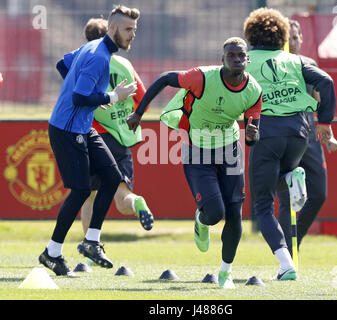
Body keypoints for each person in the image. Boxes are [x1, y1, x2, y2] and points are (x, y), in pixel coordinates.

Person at [127, 37, 263, 289]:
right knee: (215, 213)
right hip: (198, 149)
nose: (235, 59)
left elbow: (253, 136)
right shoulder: (201, 78)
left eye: (240, 55)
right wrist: (139, 113)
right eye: (230, 55)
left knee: (234, 214)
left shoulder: (254, 91)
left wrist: (253, 136)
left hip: (230, 150)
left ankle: (226, 273)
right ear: (221, 59)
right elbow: (165, 79)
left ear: (247, 59)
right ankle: (201, 221)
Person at [39, 5, 139, 277]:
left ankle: (92, 241)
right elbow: (79, 99)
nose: (133, 35)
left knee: (111, 176)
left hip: (81, 126)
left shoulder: (95, 46)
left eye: (135, 30)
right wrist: (111, 97)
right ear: (114, 28)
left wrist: (92, 93)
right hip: (67, 129)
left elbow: (63, 64)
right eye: (129, 29)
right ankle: (52, 253)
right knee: (82, 191)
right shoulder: (98, 56)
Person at [243, 8, 336, 280]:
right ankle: (290, 177)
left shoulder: (245, 60)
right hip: (298, 133)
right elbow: (327, 82)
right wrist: (325, 122)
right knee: (279, 185)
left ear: (250, 34)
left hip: (266, 133)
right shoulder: (296, 63)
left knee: (262, 203)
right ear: (283, 35)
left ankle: (286, 264)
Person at [76, 18, 154, 235]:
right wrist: (128, 117)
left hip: (94, 137)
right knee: (122, 199)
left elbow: (78, 100)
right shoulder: (124, 65)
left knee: (89, 196)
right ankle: (136, 201)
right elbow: (143, 98)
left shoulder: (85, 63)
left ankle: (91, 248)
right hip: (119, 139)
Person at [277, 19, 337, 255]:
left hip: (309, 134)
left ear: (301, 38)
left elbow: (318, 101)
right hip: (282, 136)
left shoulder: (309, 65)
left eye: (295, 36)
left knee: (319, 193)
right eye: (287, 37)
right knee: (285, 199)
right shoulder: (271, 66)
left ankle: (295, 240)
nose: (291, 41)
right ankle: (287, 254)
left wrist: (328, 134)